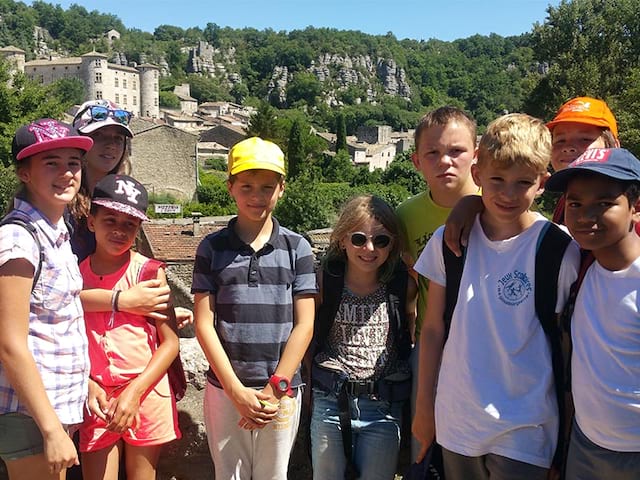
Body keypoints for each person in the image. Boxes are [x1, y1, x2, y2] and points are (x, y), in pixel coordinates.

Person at [412, 113, 580, 479]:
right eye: (497, 180)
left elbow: (568, 343)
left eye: (522, 182)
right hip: (458, 421)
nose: (507, 193)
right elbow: (432, 330)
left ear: (542, 184)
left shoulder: (558, 249)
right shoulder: (450, 240)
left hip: (527, 426)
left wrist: (567, 433)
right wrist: (425, 408)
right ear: (478, 176)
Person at [192, 136, 317, 480]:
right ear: (230, 187)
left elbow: (304, 324)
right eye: (246, 185)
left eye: (266, 186)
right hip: (224, 390)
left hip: (280, 391)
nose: (256, 196)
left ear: (281, 189)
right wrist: (235, 391)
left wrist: (274, 389)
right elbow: (204, 323)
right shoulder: (211, 248)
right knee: (227, 475)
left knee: (273, 475)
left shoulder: (297, 248)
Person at [0, 118, 93, 479]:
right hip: (32, 419)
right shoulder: (19, 239)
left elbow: (55, 325)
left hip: (53, 410)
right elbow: (10, 343)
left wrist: (86, 384)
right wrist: (52, 429)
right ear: (24, 173)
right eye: (51, 163)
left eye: (73, 162)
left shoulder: (57, 233)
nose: (67, 173)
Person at [544, 147, 640, 479]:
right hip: (585, 445)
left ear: (634, 206)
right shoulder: (578, 264)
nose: (586, 216)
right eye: (575, 204)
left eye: (604, 203)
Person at [78, 174, 181, 480]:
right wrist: (88, 383)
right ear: (91, 222)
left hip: (146, 392)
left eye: (130, 224)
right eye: (110, 220)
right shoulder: (75, 274)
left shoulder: (149, 273)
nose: (120, 231)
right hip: (97, 396)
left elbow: (170, 342)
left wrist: (134, 393)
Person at [310, 195, 416, 480]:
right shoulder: (324, 282)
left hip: (383, 405)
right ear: (342, 240)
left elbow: (413, 328)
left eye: (381, 241)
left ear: (392, 244)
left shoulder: (402, 286)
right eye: (358, 239)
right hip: (331, 399)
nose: (369, 249)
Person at [395, 106, 478, 461]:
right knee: (423, 443)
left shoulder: (499, 205)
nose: (445, 161)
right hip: (432, 348)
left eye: (456, 151)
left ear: (477, 154)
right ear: (416, 161)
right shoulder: (406, 216)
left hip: (487, 350)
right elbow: (409, 282)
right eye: (433, 153)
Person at [71, 99, 193, 329]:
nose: (111, 146)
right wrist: (123, 301)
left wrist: (153, 312)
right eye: (100, 136)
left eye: (118, 139)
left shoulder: (126, 200)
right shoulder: (63, 206)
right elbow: (53, 295)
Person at [444, 96, 620, 254]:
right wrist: (473, 203)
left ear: (614, 146)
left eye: (585, 139)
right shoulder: (566, 202)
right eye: (560, 140)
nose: (569, 147)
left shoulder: (630, 210)